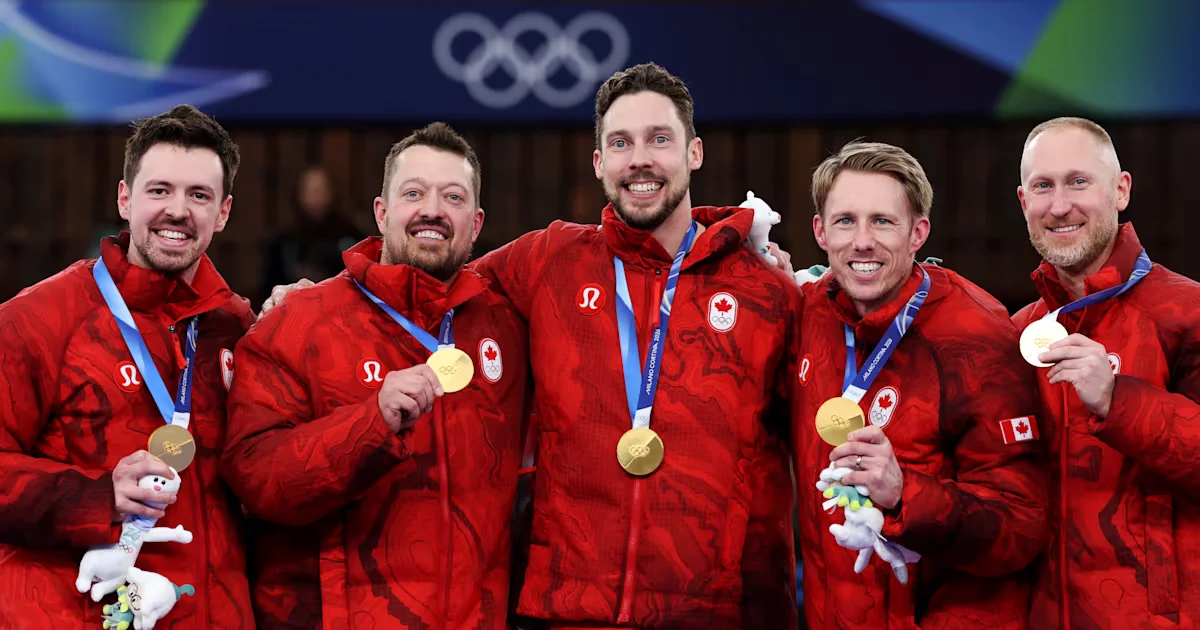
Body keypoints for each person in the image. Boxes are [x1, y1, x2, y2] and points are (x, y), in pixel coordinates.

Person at [468, 62, 801, 629]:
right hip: (571, 608)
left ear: (694, 153)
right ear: (598, 162)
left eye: (659, 139)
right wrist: (312, 297)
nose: (639, 159)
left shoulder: (766, 289)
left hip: (716, 612)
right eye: (620, 143)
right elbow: (429, 290)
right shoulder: (550, 260)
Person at [221, 122, 530, 629]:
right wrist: (371, 424)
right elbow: (254, 477)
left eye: (452, 196)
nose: (432, 209)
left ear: (475, 224)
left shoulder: (507, 326)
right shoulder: (300, 323)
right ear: (382, 214)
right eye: (414, 193)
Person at [0, 105, 255, 627]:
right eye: (160, 190)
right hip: (75, 610)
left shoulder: (235, 327)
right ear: (125, 198)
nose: (177, 211)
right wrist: (96, 496)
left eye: (198, 195)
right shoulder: (39, 319)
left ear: (223, 212)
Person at [794, 140, 1049, 628]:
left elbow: (1024, 525)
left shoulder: (976, 337)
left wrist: (904, 492)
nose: (862, 241)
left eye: (883, 221)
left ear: (918, 233)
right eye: (845, 221)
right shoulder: (808, 313)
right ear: (820, 232)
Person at [1012, 117, 1200, 628]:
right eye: (1042, 186)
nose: (1059, 205)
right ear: (1024, 202)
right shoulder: (1015, 334)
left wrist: (1119, 400)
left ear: (1120, 191)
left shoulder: (1190, 312)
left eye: (1078, 181)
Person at [260, 165, 363, 301]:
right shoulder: (284, 242)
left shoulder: (351, 237)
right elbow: (268, 288)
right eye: (310, 191)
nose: (316, 197)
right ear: (299, 194)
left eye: (321, 190)